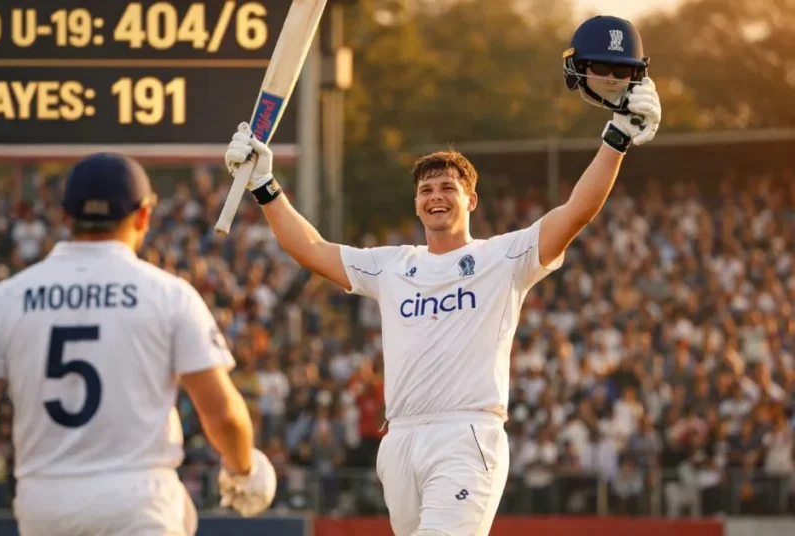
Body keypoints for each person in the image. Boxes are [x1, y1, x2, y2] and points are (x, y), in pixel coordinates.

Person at [223, 20, 662, 536]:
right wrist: (264, 184)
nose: (435, 195)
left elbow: (575, 213)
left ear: (470, 200)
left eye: (448, 187)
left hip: (466, 434)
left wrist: (616, 140)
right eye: (426, 188)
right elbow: (311, 249)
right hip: (400, 440)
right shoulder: (392, 264)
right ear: (416, 202)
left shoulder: (506, 256)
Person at [0, 153, 276, 536]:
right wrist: (243, 469)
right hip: (138, 504)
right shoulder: (169, 295)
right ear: (143, 215)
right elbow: (222, 415)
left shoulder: (7, 297)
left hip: (45, 506)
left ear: (65, 217)